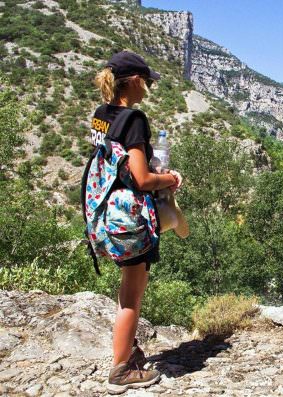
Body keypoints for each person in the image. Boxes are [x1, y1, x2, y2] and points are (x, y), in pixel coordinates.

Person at [91, 50, 182, 394]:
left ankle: (126, 349)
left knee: (126, 288)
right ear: (134, 81)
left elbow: (114, 164)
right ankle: (120, 371)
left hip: (106, 214)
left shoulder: (102, 115)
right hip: (128, 218)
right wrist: (169, 178)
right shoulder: (134, 119)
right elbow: (142, 179)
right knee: (132, 295)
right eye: (146, 82)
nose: (148, 89)